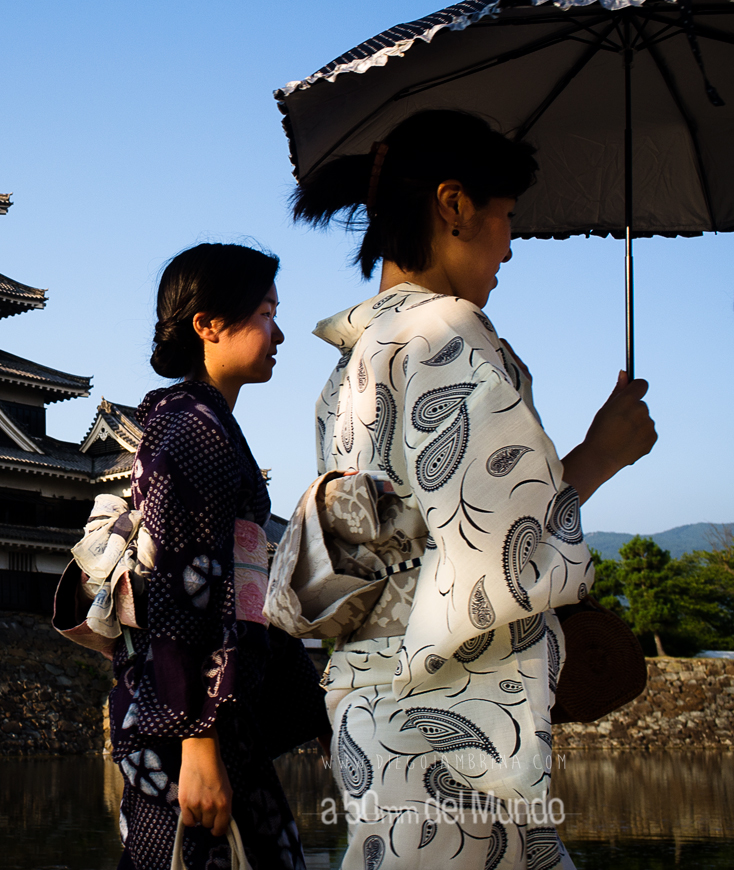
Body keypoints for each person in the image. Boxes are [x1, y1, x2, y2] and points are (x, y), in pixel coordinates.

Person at [289, 110, 657, 870]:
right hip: (451, 722)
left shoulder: (350, 365)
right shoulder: (446, 335)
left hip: (367, 710)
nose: (511, 247)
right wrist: (600, 454)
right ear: (453, 205)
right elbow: (498, 556)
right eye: (507, 218)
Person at [113, 243, 330, 870]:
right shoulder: (195, 431)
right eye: (264, 312)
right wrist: (199, 745)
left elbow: (244, 602)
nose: (279, 331)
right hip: (189, 730)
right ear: (207, 324)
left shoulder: (201, 424)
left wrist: (308, 703)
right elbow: (188, 593)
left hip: (208, 720)